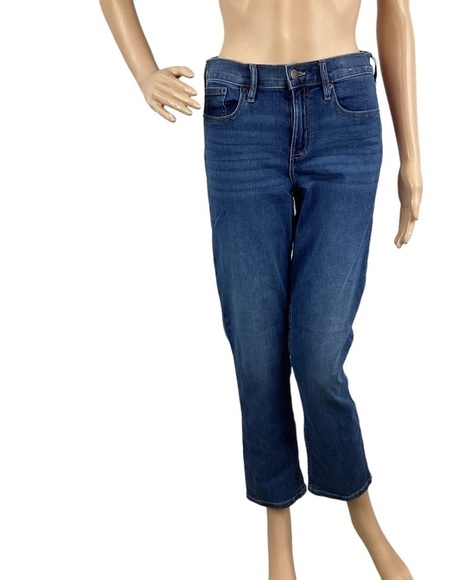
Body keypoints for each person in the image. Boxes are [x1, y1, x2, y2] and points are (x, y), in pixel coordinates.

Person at [99, 1, 422, 578]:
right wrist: (143, 71)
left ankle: (361, 513)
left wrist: (412, 158)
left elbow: (394, 10)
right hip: (240, 113)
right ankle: (279, 530)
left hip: (344, 109)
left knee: (319, 351)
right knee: (255, 346)